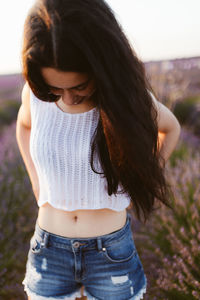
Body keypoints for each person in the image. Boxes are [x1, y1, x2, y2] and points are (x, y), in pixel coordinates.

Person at [16, 0, 181, 299]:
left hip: (110, 253)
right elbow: (23, 127)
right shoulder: (35, 95)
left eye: (78, 86)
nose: (67, 98)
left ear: (100, 68)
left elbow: (170, 128)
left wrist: (143, 177)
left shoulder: (126, 100)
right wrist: (36, 182)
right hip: (48, 250)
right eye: (54, 90)